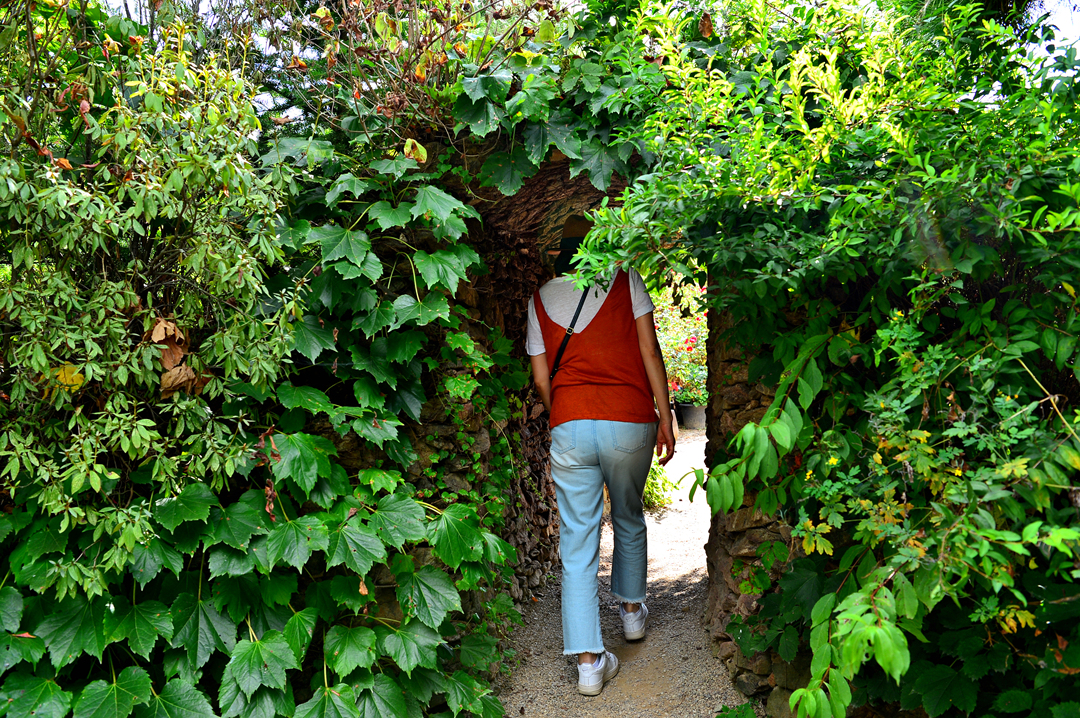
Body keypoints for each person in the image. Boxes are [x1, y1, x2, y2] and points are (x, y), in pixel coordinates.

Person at [526, 214, 676, 696]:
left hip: (570, 423)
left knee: (577, 541)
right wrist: (666, 416)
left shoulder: (540, 299)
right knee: (629, 514)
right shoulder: (626, 279)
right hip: (629, 419)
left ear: (560, 252)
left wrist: (566, 413)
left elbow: (542, 378)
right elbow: (649, 351)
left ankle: (589, 664)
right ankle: (631, 614)